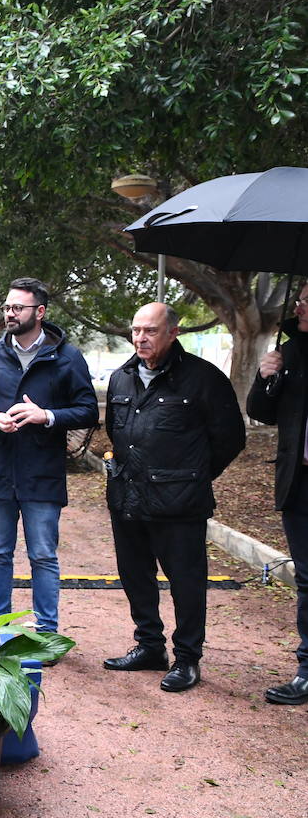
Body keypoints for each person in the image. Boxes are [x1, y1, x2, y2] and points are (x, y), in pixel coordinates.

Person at [102, 303, 244, 692]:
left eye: (150, 331)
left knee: (186, 582)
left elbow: (230, 439)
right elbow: (115, 431)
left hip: (180, 504)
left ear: (173, 333)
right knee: (135, 576)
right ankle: (149, 646)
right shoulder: (122, 377)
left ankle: (187, 658)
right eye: (135, 331)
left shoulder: (203, 379)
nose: (141, 338)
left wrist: (192, 476)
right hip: (127, 498)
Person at [0, 278, 98, 637]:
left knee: (44, 557)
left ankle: (46, 633)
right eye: (6, 307)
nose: (9, 314)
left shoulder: (67, 358)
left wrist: (46, 416)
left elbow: (87, 411)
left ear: (40, 312)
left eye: (17, 308)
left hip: (43, 473)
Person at [247, 282, 308, 705]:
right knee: (307, 579)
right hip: (300, 482)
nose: (301, 304)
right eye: (301, 297)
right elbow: (261, 412)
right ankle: (307, 670)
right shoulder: (291, 349)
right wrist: (266, 376)